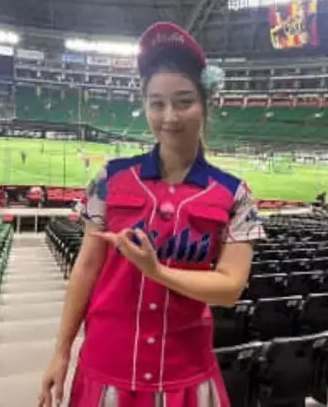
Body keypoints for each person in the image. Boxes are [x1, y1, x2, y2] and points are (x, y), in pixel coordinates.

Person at [38, 22, 264, 407]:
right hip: (108, 366)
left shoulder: (234, 194)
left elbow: (229, 288)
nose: (169, 117)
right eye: (157, 104)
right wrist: (61, 351)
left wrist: (156, 271)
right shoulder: (110, 179)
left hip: (184, 372)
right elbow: (86, 268)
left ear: (205, 104)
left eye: (183, 101)